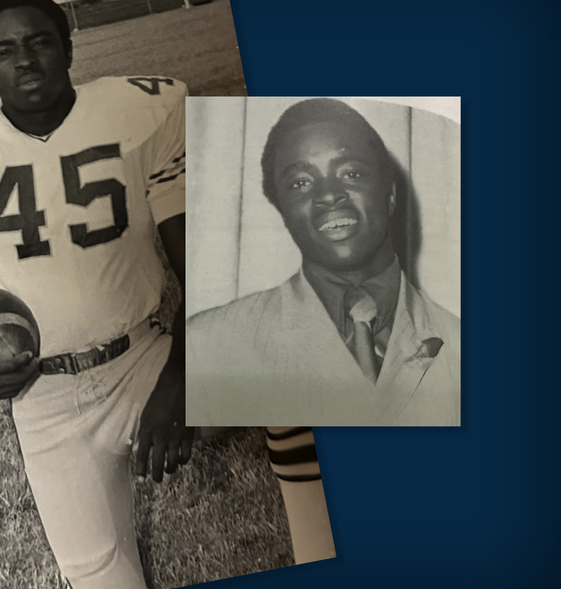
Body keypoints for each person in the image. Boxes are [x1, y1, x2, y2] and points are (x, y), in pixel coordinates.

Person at [0, 0, 191, 589]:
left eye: (38, 42)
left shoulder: (139, 116)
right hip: (43, 392)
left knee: (295, 387)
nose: (24, 60)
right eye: (4, 51)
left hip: (145, 357)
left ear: (68, 48)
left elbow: (207, 265)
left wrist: (181, 380)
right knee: (102, 579)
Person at [186, 98, 461, 427]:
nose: (329, 195)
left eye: (351, 173)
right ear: (282, 211)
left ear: (390, 195)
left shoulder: (462, 343)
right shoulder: (207, 345)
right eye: (300, 182)